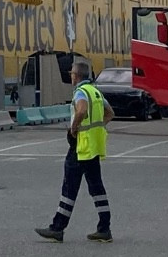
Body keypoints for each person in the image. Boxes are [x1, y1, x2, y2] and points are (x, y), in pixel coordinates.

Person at [36, 59, 112, 243]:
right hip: (93, 146)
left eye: (71, 73)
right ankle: (104, 228)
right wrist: (97, 128)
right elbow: (110, 113)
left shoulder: (80, 92)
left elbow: (81, 110)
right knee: (96, 187)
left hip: (80, 147)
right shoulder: (95, 91)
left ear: (76, 76)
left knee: (69, 187)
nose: (70, 76)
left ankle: (57, 228)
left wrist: (74, 128)